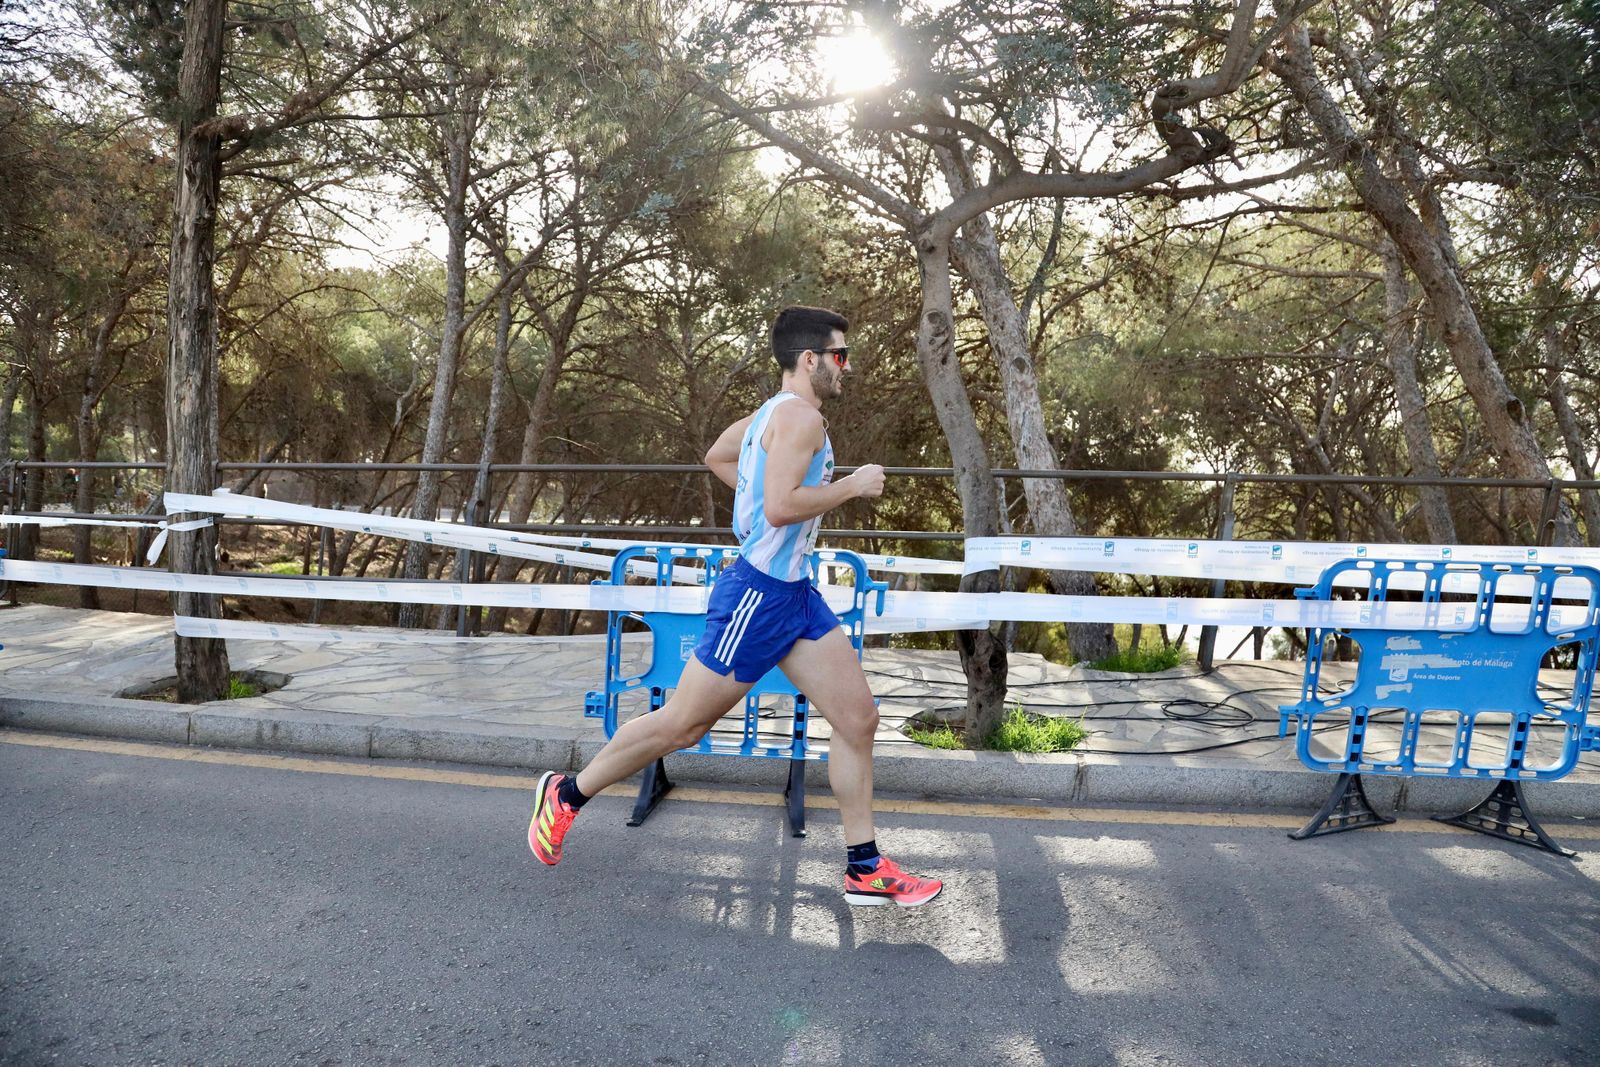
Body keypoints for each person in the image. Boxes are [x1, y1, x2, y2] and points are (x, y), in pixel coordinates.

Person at [529, 305, 942, 907]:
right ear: (810, 360)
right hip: (758, 596)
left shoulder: (769, 415)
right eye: (840, 356)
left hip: (796, 595)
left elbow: (721, 458)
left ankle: (864, 867)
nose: (846, 368)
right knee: (683, 724)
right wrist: (851, 486)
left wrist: (760, 504)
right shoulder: (802, 419)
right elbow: (778, 507)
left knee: (858, 720)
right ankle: (567, 795)